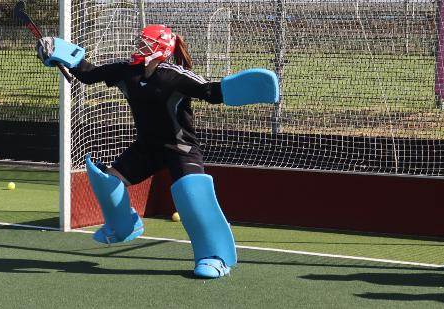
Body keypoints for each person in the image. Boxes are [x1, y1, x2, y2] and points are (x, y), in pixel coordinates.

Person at [37, 24, 278, 279]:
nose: (139, 47)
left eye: (145, 43)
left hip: (180, 148)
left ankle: (214, 257)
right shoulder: (126, 72)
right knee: (107, 180)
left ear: (161, 48)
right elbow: (88, 74)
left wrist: (253, 87)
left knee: (191, 193)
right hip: (147, 147)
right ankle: (123, 226)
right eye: (140, 42)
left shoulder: (174, 76)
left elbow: (211, 91)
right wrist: (58, 52)